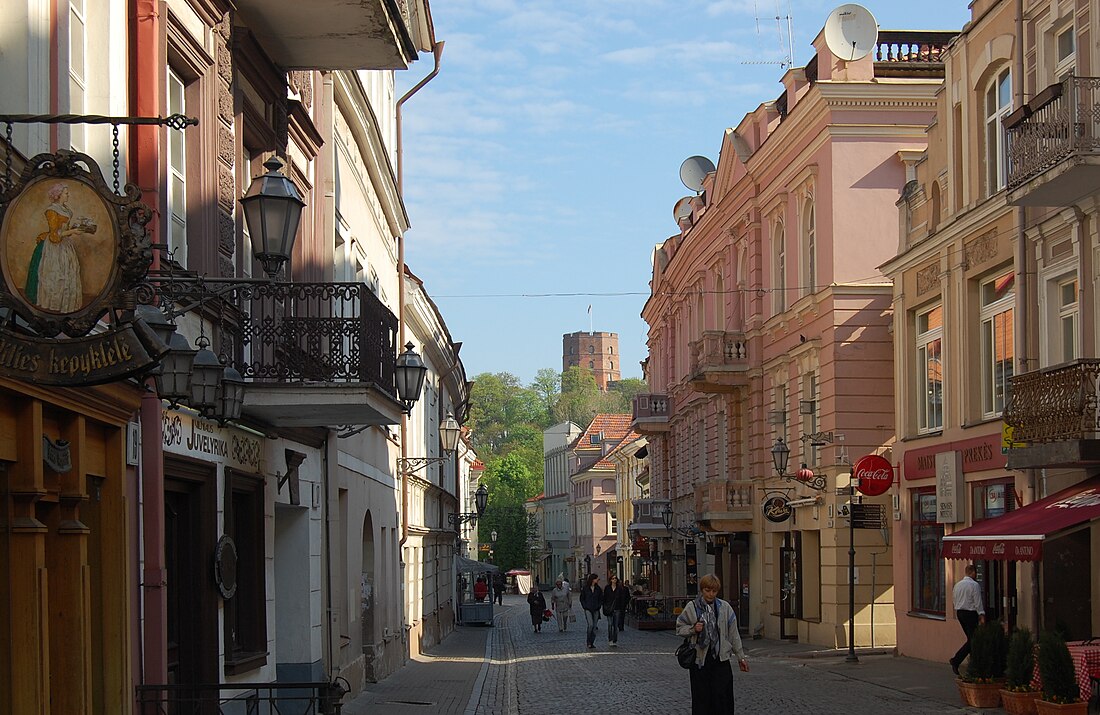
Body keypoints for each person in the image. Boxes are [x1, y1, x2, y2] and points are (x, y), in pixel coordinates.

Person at [675, 573, 749, 714]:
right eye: (707, 590)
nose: (710, 594)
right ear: (702, 590)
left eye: (714, 591)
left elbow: (734, 634)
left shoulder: (724, 607)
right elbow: (679, 628)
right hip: (700, 661)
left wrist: (741, 657)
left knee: (723, 699)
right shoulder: (692, 607)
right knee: (702, 700)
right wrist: (693, 629)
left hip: (720, 659)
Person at [25, 182, 92, 313]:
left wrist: (76, 228)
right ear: (59, 195)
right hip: (54, 248)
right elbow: (54, 236)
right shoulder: (52, 211)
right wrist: (73, 232)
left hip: (65, 245)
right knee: (55, 274)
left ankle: (64, 304)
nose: (68, 195)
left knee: (68, 272)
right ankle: (53, 305)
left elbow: (64, 229)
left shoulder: (66, 209)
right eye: (66, 193)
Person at [949, 564, 986, 676]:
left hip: (960, 612)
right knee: (973, 640)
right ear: (973, 572)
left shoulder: (958, 585)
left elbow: (954, 599)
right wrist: (981, 614)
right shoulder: (974, 585)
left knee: (971, 639)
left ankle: (973, 664)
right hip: (970, 613)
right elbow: (977, 601)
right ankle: (956, 660)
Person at [602, 574, 630, 646]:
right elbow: (604, 598)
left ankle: (615, 640)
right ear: (610, 580)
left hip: (617, 608)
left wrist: (622, 606)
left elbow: (622, 598)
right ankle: (610, 639)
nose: (614, 580)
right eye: (613, 578)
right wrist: (605, 607)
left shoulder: (619, 589)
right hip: (609, 609)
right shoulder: (607, 588)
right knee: (610, 624)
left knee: (615, 625)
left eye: (615, 578)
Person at [579, 573, 603, 649]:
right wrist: (584, 606)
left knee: (594, 626)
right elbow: (582, 598)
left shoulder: (598, 589)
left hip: (596, 609)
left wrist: (599, 605)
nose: (597, 580)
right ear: (593, 579)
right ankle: (588, 641)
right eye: (596, 579)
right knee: (590, 625)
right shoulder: (585, 588)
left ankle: (592, 642)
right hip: (588, 609)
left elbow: (601, 598)